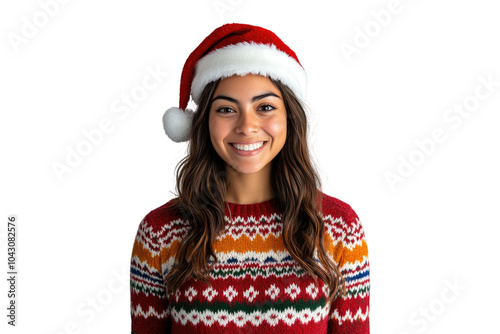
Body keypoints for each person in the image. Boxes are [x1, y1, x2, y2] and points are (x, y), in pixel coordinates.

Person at [130, 23, 370, 333]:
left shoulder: (340, 230)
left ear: (289, 118)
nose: (247, 126)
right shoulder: (159, 234)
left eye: (265, 107)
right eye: (227, 109)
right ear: (203, 123)